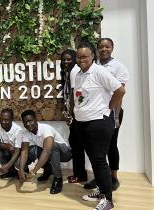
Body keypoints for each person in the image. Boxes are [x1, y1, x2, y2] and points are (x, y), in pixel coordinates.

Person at [71, 42, 125, 210]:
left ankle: (108, 200)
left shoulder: (100, 71)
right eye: (79, 57)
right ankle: (101, 190)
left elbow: (120, 91)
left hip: (98, 123)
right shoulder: (78, 74)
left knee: (100, 161)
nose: (82, 60)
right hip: (83, 123)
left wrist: (109, 107)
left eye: (85, 56)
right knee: (95, 160)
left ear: (92, 56)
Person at [84, 38, 129, 191]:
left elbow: (120, 93)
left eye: (107, 47)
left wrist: (115, 116)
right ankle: (100, 178)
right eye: (101, 47)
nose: (104, 49)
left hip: (112, 112)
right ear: (97, 49)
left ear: (112, 48)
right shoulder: (93, 65)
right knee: (97, 149)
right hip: (96, 112)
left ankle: (113, 177)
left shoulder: (118, 67)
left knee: (111, 145)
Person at [18, 110, 72, 194]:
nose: (28, 124)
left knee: (51, 147)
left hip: (65, 153)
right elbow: (24, 151)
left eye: (30, 121)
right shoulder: (25, 132)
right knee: (31, 149)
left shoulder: (46, 128)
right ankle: (48, 170)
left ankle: (58, 178)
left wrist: (33, 171)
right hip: (50, 153)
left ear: (36, 120)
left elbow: (47, 151)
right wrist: (21, 170)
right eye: (25, 122)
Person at [60, 50, 87, 184]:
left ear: (75, 59)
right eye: (64, 60)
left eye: (69, 59)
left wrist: (71, 114)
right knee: (77, 145)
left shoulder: (74, 71)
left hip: (77, 115)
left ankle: (80, 175)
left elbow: (74, 96)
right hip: (75, 115)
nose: (66, 62)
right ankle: (79, 174)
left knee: (77, 146)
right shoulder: (69, 72)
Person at [0, 108, 22, 179]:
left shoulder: (18, 130)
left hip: (17, 153)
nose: (3, 122)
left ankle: (23, 170)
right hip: (7, 149)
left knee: (19, 163)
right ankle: (11, 171)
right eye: (1, 119)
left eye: (6, 120)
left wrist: (8, 165)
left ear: (12, 119)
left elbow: (18, 150)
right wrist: (8, 147)